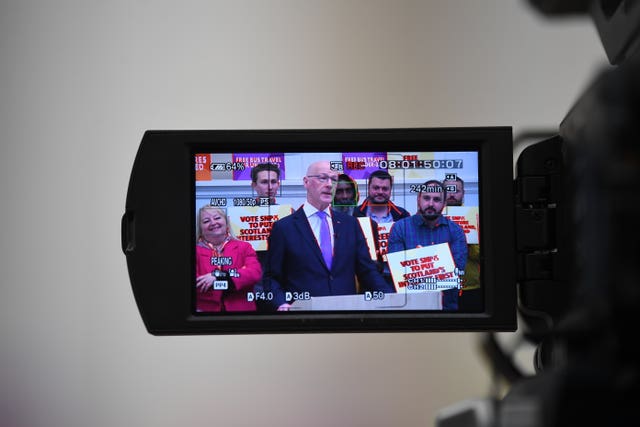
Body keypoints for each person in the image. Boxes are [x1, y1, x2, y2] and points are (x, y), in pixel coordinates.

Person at [263, 161, 395, 311]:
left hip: (345, 316)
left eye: (333, 179)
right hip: (302, 318)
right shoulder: (284, 228)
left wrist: (391, 299)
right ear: (306, 182)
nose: (329, 184)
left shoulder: (350, 224)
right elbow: (271, 278)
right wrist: (281, 303)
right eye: (322, 178)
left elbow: (367, 271)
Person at [388, 180, 467, 310]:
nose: (430, 204)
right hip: (409, 307)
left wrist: (420, 261)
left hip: (446, 307)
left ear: (444, 203)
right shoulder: (400, 228)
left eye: (436, 199)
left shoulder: (456, 231)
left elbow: (457, 271)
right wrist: (434, 265)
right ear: (418, 199)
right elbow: (398, 272)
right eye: (426, 198)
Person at [195, 206, 262, 312]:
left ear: (226, 222)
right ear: (200, 228)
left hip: (241, 313)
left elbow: (254, 273)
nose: (213, 223)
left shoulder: (244, 247)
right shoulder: (194, 251)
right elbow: (197, 284)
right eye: (206, 221)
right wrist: (236, 279)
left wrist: (218, 277)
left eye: (217, 218)